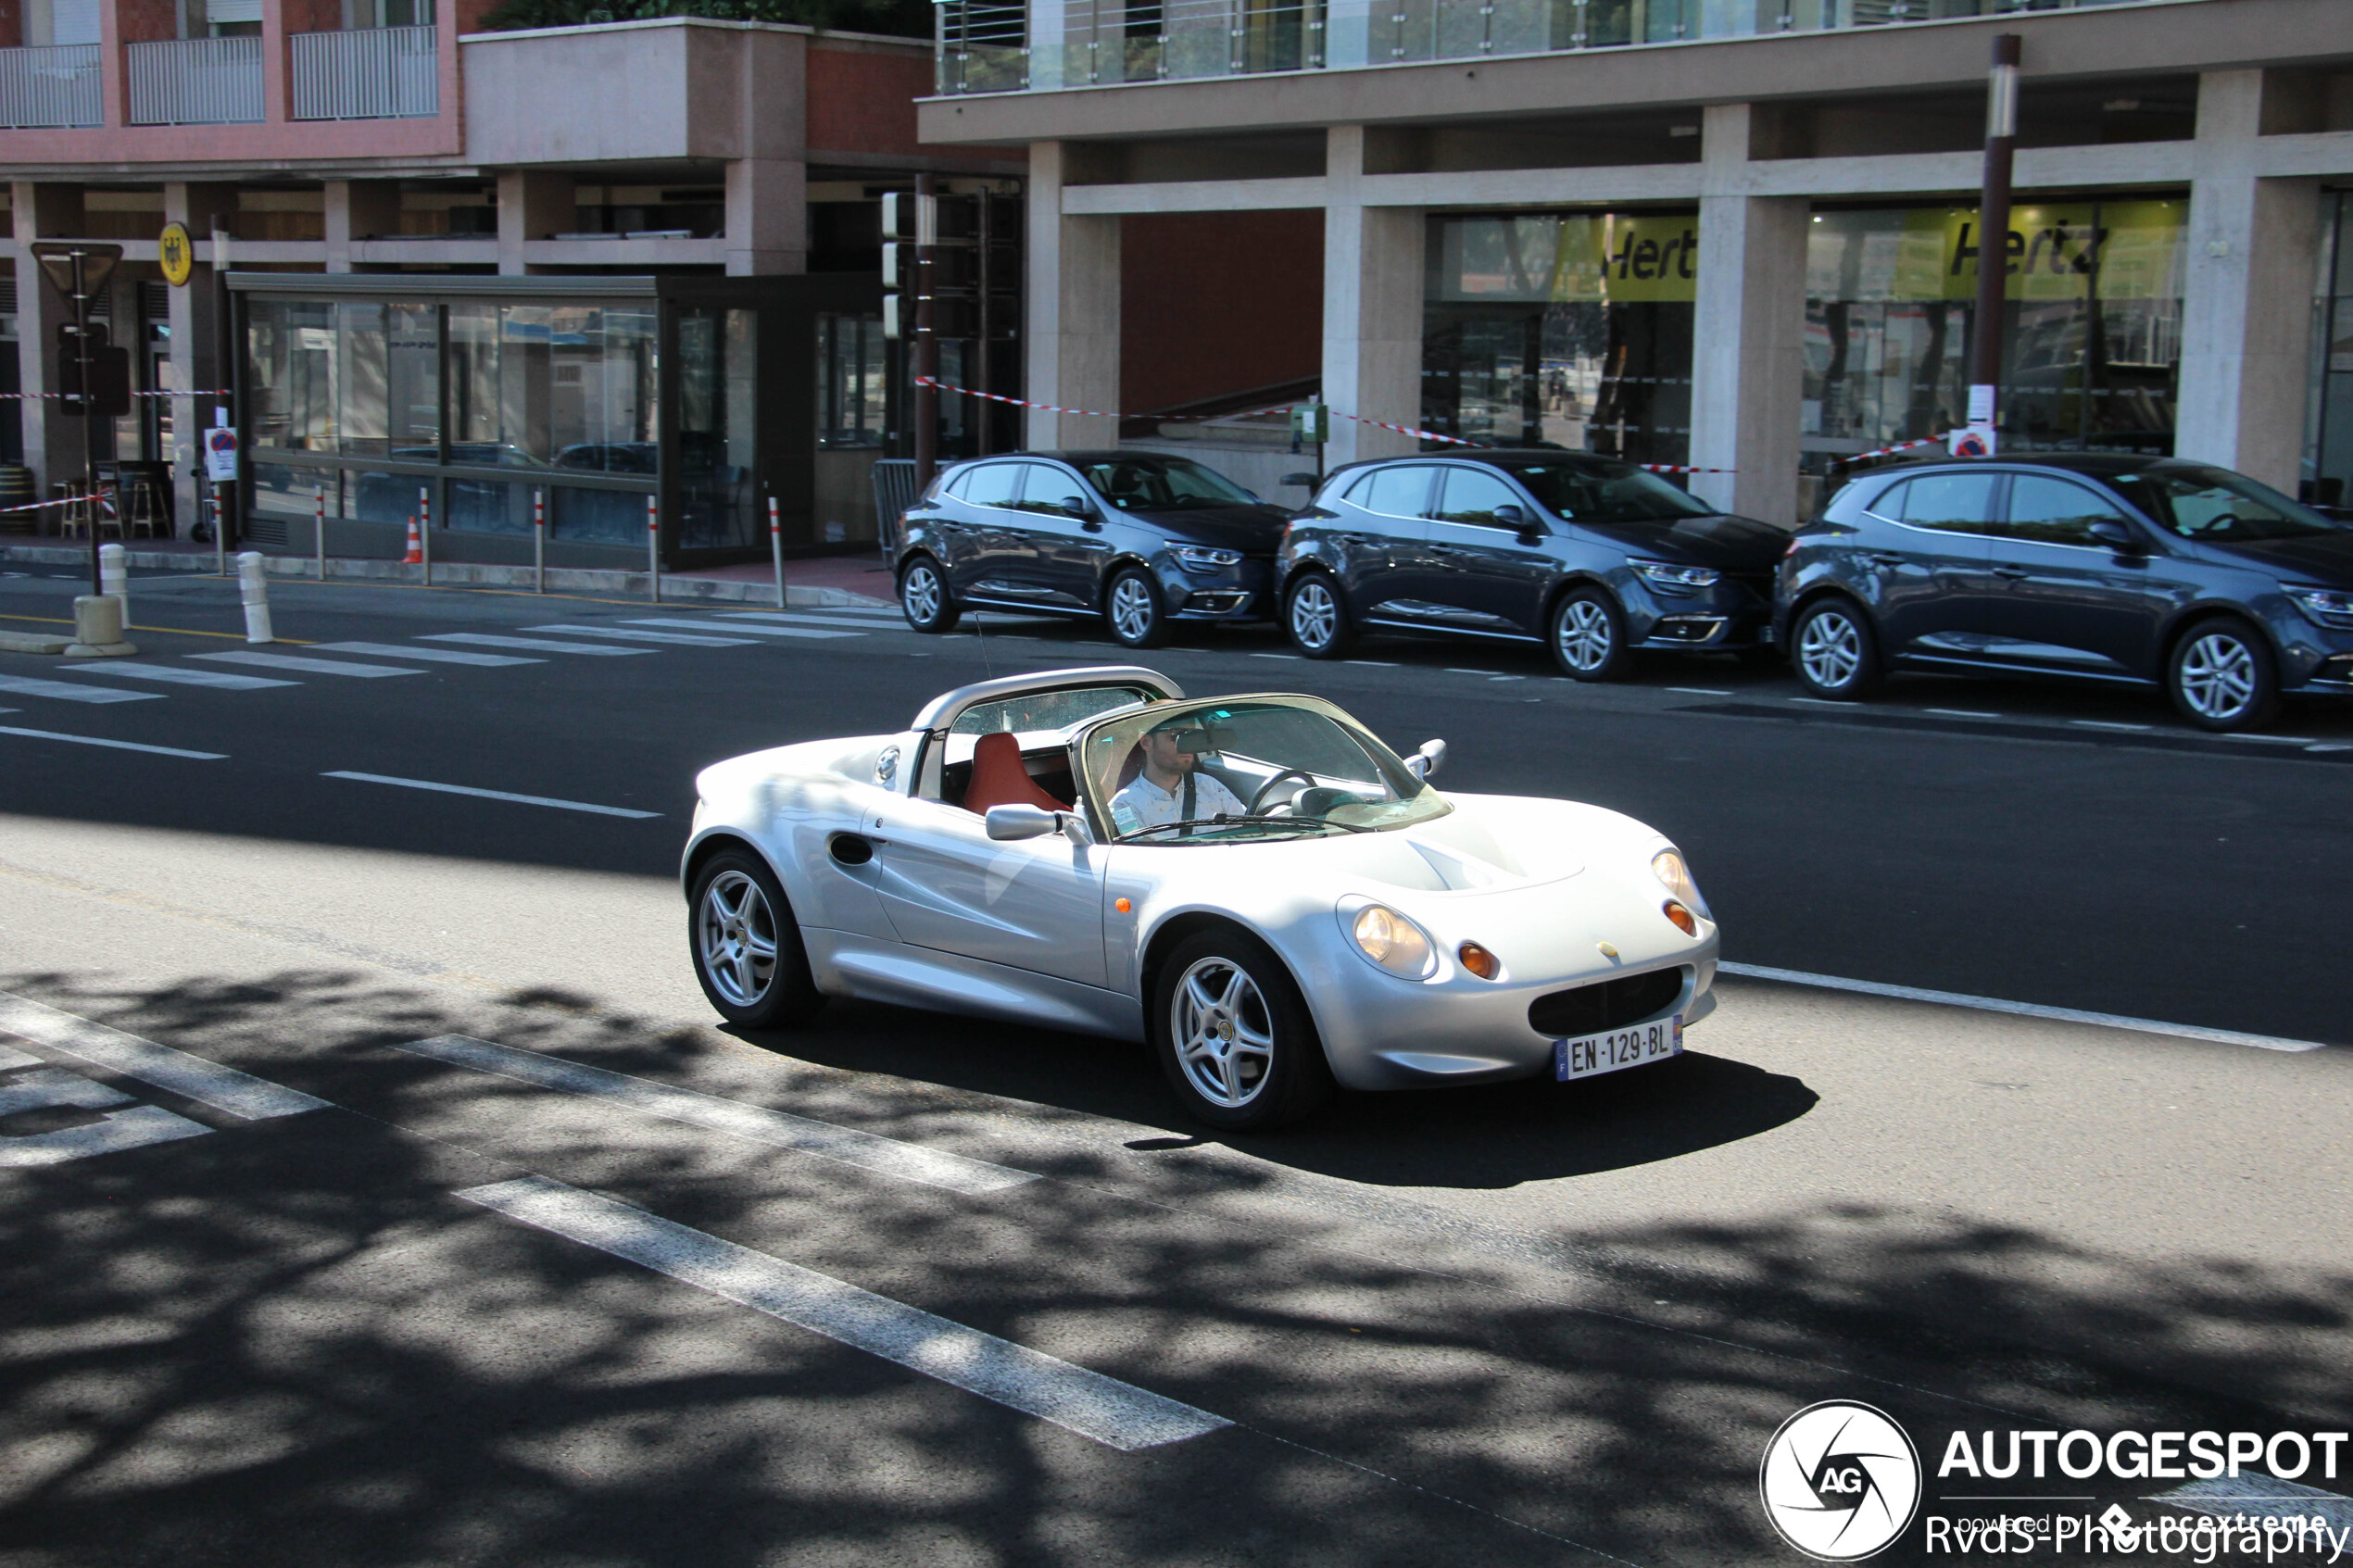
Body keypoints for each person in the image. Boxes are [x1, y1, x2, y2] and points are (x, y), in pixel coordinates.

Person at [1108, 717, 1247, 835]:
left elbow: (1247, 829)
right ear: (1146, 742)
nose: (1186, 744)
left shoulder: (1210, 786)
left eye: (1191, 735)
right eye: (1176, 735)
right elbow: (1140, 858)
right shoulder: (1124, 806)